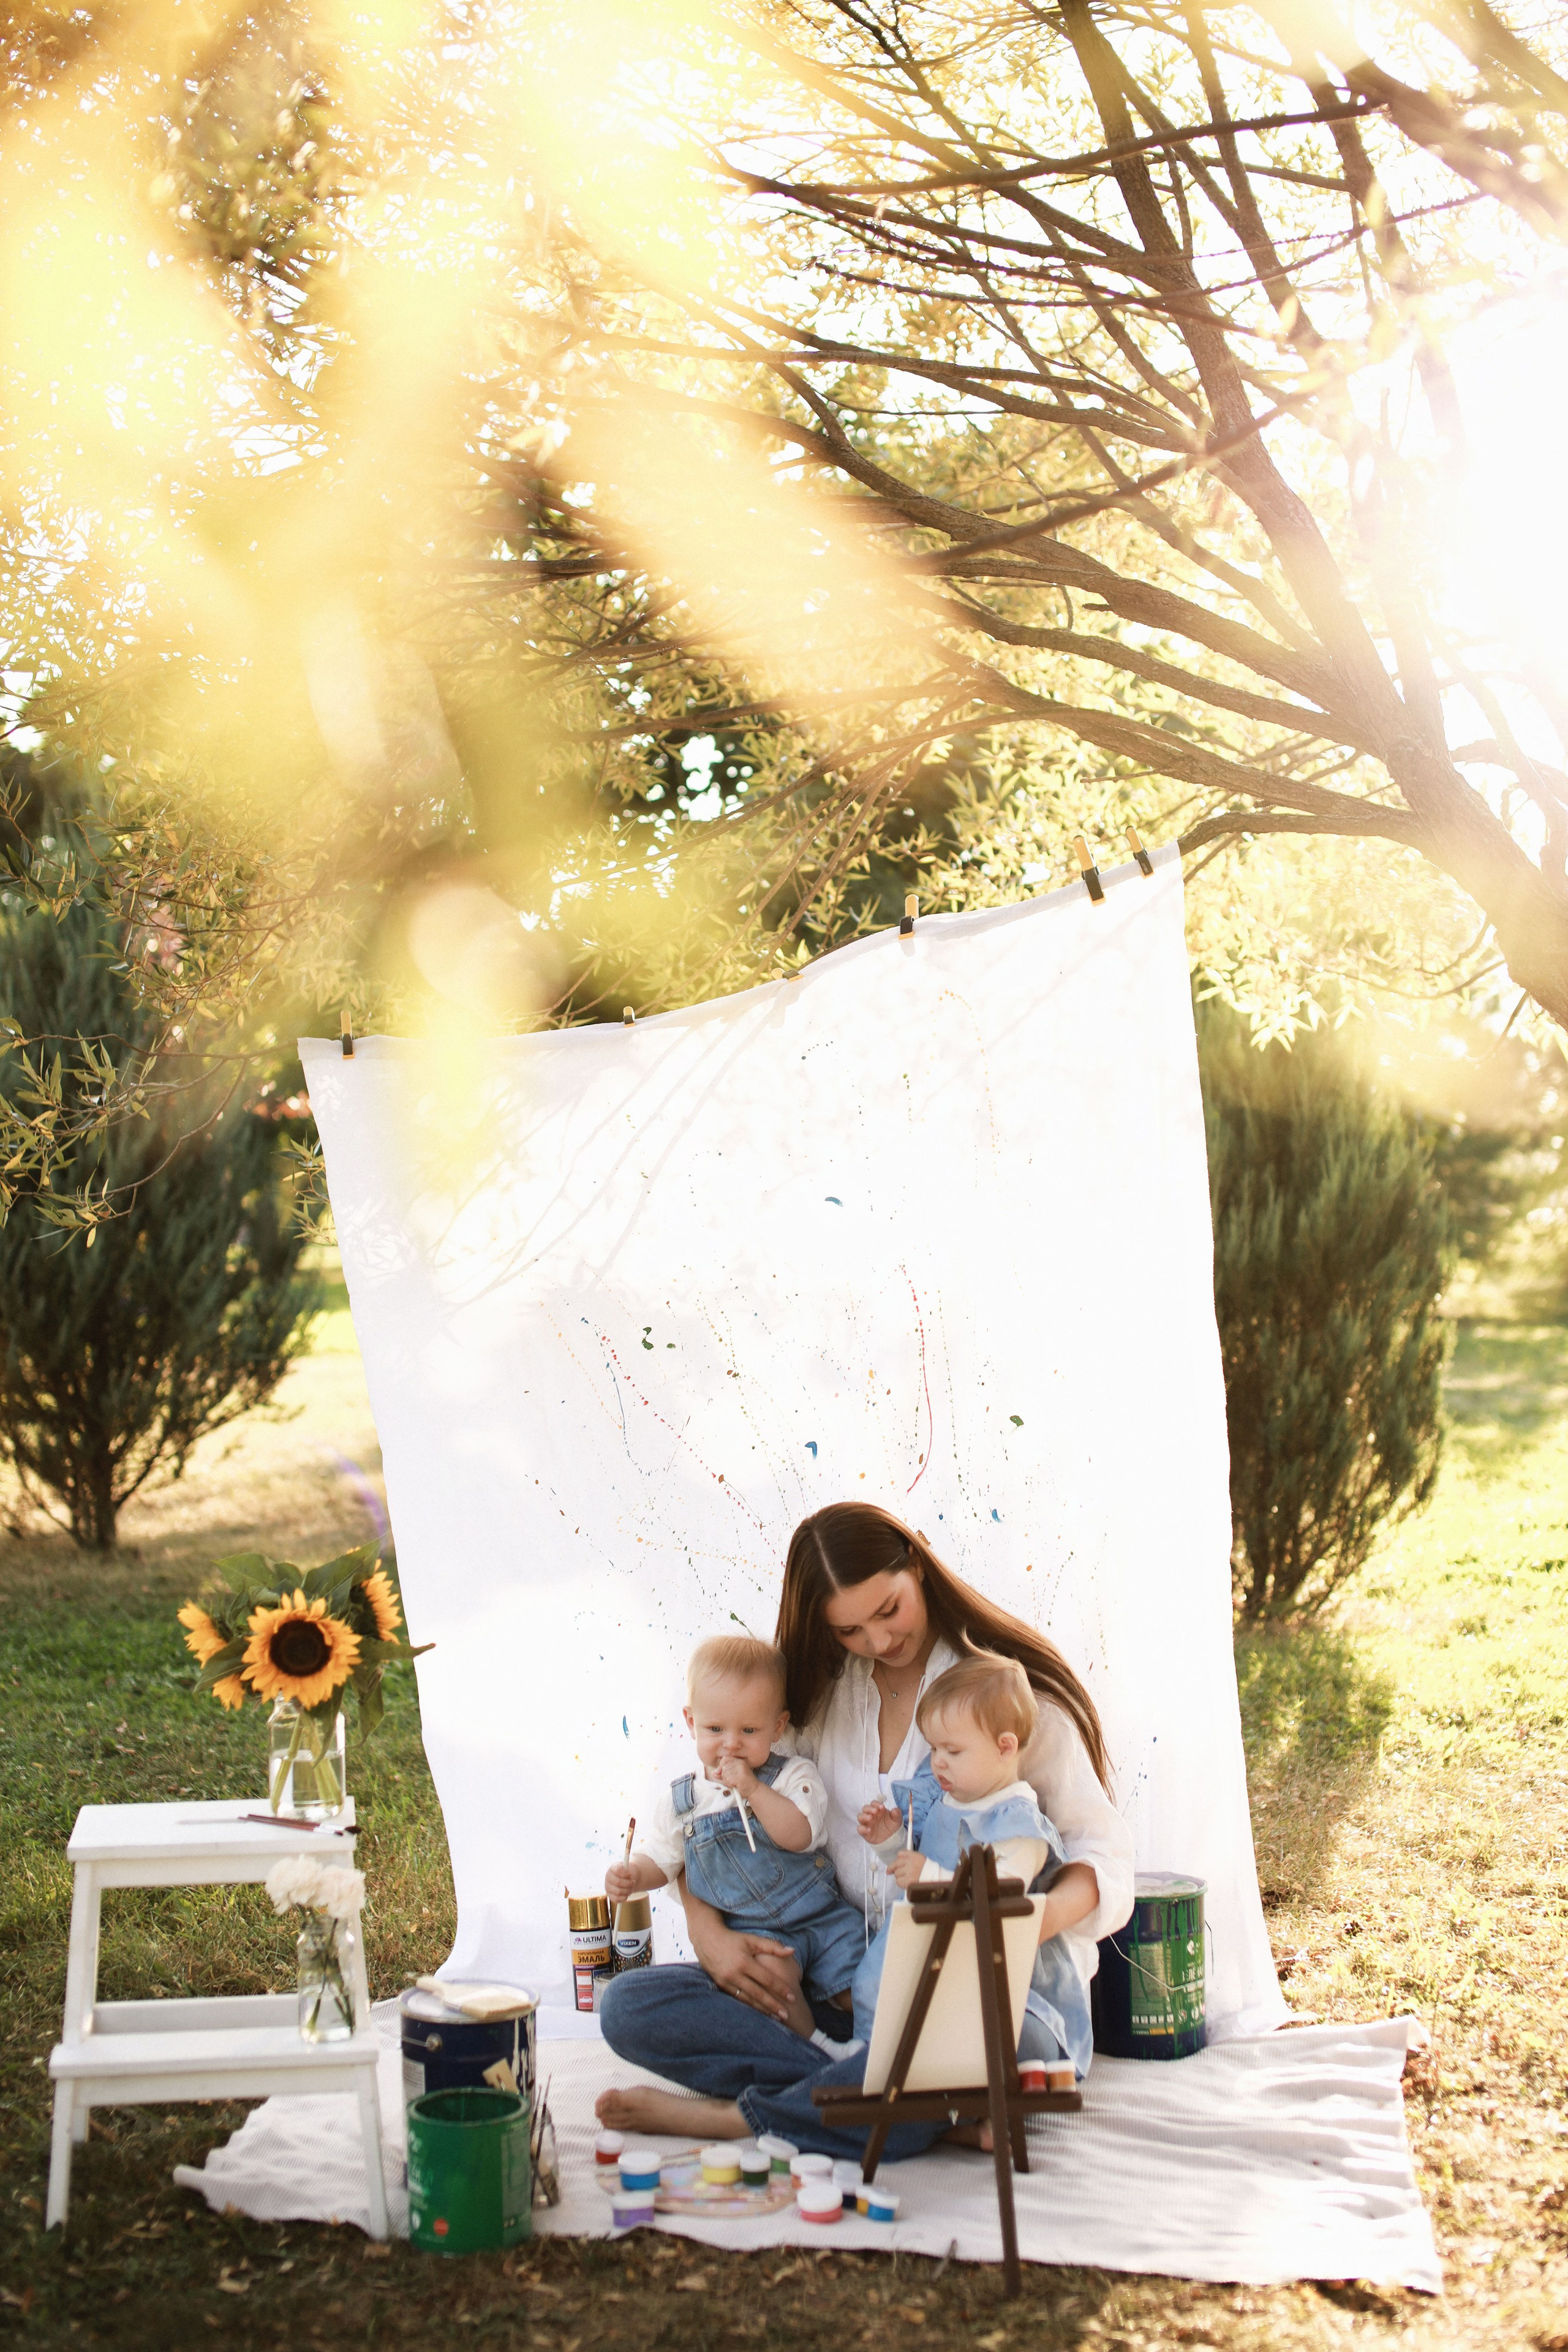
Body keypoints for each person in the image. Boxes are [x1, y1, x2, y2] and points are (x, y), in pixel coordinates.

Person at [597, 1501, 1134, 2158]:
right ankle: (914, 2105)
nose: (878, 1642)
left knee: (959, 2045)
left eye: (889, 1611)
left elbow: (1098, 1854)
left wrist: (1029, 1920)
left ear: (917, 1565)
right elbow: (712, 1823)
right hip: (837, 1988)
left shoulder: (1002, 1696)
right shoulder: (816, 1702)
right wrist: (710, 1938)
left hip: (974, 1996)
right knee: (630, 2005)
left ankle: (743, 2120)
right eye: (849, 1630)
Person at [605, 1634, 864, 2038]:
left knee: (864, 1988)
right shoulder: (684, 1802)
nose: (731, 1743)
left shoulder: (793, 1776)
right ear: (691, 1723)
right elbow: (663, 1858)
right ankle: (818, 2050)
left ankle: (869, 2051)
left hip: (824, 1920)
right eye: (715, 1728)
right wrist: (635, 1876)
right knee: (771, 1987)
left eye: (748, 1729)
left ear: (778, 1727)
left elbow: (798, 1835)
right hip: (759, 1936)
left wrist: (754, 1790)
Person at [849, 1652, 1091, 2074]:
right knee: (876, 1984)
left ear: (1005, 1747)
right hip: (939, 1952)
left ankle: (955, 2084)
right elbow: (916, 1865)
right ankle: (871, 2061)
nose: (937, 1762)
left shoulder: (1017, 1823)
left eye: (953, 1750)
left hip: (997, 1971)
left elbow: (998, 1897)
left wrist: (927, 1874)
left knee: (1004, 2033)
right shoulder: (948, 1800)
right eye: (934, 1748)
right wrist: (890, 1843)